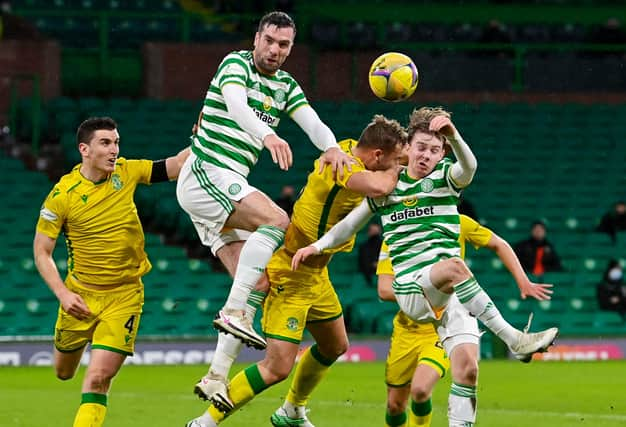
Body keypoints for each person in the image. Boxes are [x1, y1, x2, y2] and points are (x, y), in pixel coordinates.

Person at [292, 106, 559, 427]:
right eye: (420, 147)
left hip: (451, 295)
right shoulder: (390, 187)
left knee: (468, 371)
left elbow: (470, 167)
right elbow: (348, 226)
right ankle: (515, 339)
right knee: (456, 267)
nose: (426, 155)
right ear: (408, 147)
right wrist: (316, 246)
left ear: (442, 152)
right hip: (412, 289)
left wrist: (455, 137)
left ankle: (507, 355)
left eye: (434, 150)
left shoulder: (447, 178)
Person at [185, 115, 408, 427]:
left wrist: (422, 150)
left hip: (316, 272)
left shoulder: (345, 148)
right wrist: (399, 168)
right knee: (276, 368)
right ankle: (204, 422)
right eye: (394, 159)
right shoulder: (344, 167)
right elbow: (378, 185)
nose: (398, 164)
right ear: (377, 156)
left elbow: (388, 162)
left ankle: (291, 411)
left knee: (335, 346)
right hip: (291, 269)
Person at [176, 10, 352, 350]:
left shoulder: (284, 85)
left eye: (283, 44)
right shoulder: (236, 64)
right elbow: (237, 105)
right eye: (269, 40)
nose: (275, 49)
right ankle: (233, 311)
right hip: (206, 171)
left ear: (291, 48)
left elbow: (312, 122)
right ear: (257, 38)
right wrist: (268, 135)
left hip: (222, 189)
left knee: (258, 282)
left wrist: (331, 147)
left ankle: (215, 377)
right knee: (276, 220)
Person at [33, 117, 189, 427]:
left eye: (116, 142)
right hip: (80, 297)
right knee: (64, 372)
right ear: (84, 149)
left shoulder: (126, 172)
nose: (114, 150)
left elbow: (175, 165)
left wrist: (207, 135)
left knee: (98, 379)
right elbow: (41, 251)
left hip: (125, 296)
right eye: (106, 143)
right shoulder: (62, 195)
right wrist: (63, 294)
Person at [377, 214, 553, 427]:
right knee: (395, 406)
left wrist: (523, 280)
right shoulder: (396, 234)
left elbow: (499, 244)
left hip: (442, 325)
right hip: (406, 330)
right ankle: (514, 339)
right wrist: (425, 290)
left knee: (422, 390)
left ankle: (514, 339)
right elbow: (384, 289)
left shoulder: (458, 222)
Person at [358, 222, 383, 286]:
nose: (375, 233)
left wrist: (380, 264)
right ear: (368, 233)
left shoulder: (385, 245)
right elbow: (363, 263)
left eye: (376, 231)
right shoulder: (364, 247)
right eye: (373, 231)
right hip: (368, 273)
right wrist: (373, 264)